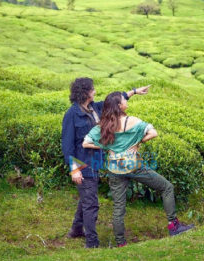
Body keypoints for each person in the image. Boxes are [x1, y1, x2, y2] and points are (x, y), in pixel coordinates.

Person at [82, 91, 194, 247]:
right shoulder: (131, 121)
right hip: (133, 165)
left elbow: (86, 143)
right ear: (119, 106)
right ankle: (174, 226)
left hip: (114, 167)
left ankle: (121, 243)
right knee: (167, 187)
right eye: (124, 100)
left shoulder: (103, 125)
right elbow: (153, 133)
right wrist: (135, 144)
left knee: (118, 207)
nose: (126, 102)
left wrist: (107, 147)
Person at [61, 78, 149, 248]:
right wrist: (74, 169)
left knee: (87, 197)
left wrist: (135, 91)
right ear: (85, 92)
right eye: (92, 89)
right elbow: (67, 145)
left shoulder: (95, 107)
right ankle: (92, 243)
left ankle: (76, 229)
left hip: (95, 161)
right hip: (82, 164)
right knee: (91, 203)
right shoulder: (71, 115)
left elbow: (114, 101)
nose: (95, 91)